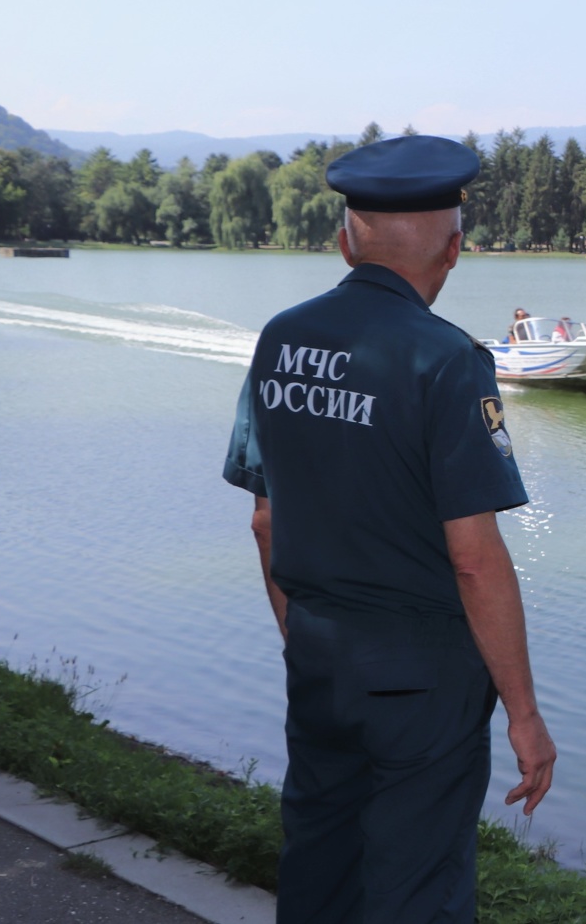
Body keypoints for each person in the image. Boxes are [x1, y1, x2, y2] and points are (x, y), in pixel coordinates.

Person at [222, 135, 557, 923]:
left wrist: (301, 637)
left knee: (320, 866)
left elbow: (266, 521)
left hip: (319, 654)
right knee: (417, 888)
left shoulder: (282, 338)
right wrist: (524, 713)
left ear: (345, 242)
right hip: (421, 678)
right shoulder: (446, 360)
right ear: (454, 249)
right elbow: (473, 560)